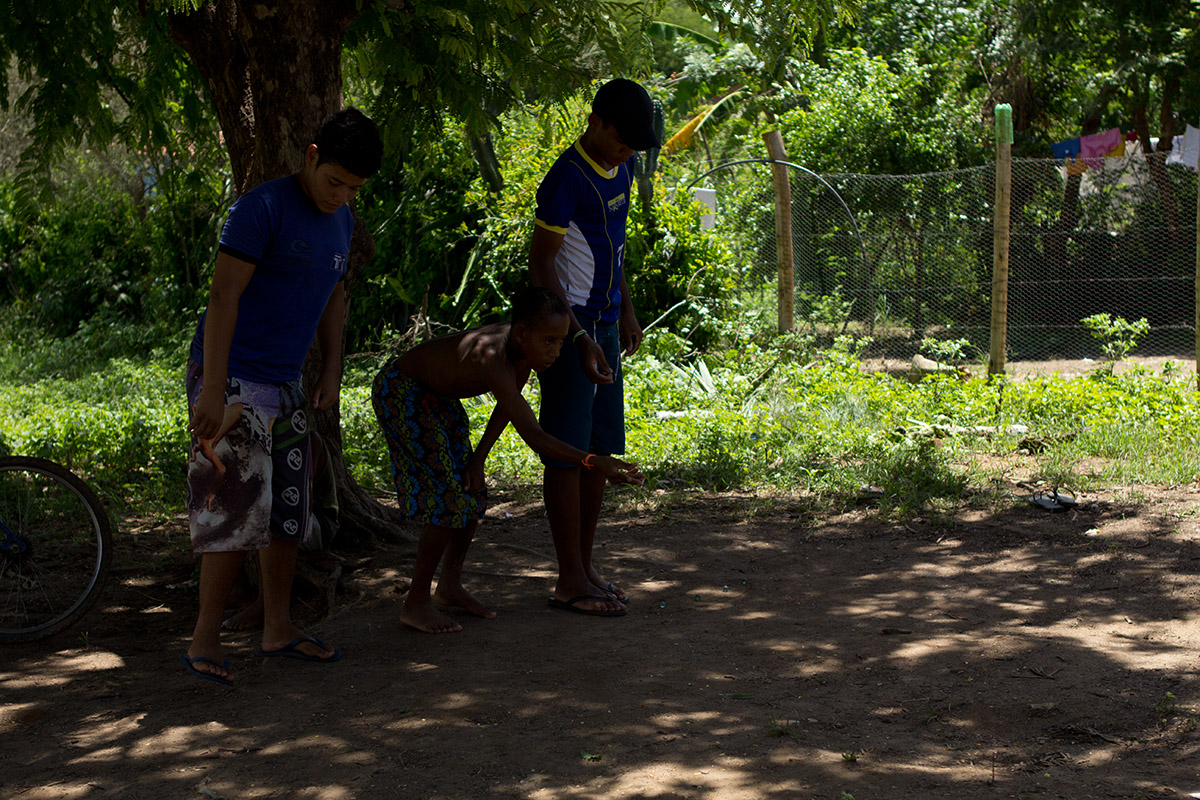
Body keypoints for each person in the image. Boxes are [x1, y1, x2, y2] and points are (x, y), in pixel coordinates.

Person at [181, 108, 383, 685]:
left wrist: (333, 369)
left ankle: (279, 627)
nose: (341, 196)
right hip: (233, 377)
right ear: (311, 156)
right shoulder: (260, 209)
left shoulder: (342, 220)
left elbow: (335, 295)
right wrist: (214, 390)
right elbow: (223, 297)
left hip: (289, 383)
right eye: (334, 182)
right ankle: (203, 641)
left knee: (286, 511)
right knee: (229, 506)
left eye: (353, 189)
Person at [372, 287, 644, 633]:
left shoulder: (523, 351)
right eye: (549, 341)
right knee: (448, 499)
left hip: (438, 401)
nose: (556, 352)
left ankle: (449, 587)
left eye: (561, 342)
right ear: (522, 334)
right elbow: (535, 436)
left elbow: (508, 403)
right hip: (402, 393)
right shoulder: (492, 357)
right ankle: (416, 602)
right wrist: (592, 461)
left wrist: (478, 460)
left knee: (471, 491)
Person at [528, 78, 660, 616]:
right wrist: (577, 338)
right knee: (567, 453)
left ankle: (584, 568)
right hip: (569, 334)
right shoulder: (565, 180)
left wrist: (626, 308)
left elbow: (616, 247)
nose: (629, 152)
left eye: (635, 144)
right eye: (622, 140)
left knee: (599, 453)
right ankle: (567, 579)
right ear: (596, 122)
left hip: (605, 326)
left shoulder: (623, 166)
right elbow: (540, 267)